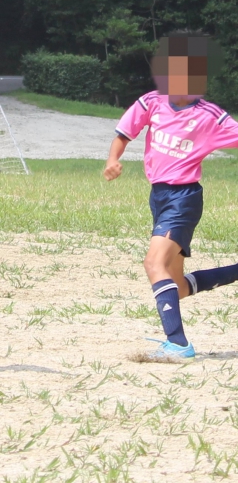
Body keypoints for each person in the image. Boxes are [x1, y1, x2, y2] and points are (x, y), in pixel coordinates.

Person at [104, 32, 238, 360]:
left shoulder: (209, 116)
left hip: (184, 198)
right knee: (176, 286)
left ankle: (178, 344)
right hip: (159, 196)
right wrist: (112, 160)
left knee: (153, 263)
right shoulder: (152, 102)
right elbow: (124, 133)